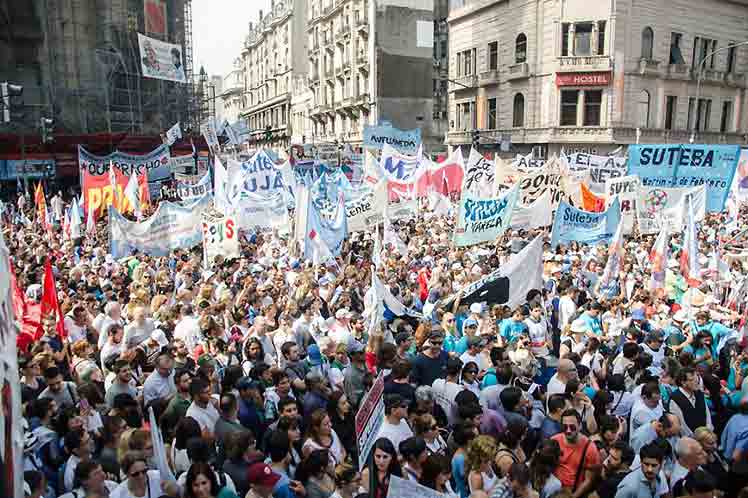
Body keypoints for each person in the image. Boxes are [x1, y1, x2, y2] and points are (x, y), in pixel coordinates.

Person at [551, 409, 601, 498]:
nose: (568, 430)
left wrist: (573, 496)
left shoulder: (590, 448)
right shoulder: (555, 441)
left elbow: (589, 480)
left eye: (572, 427)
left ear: (580, 426)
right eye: (565, 427)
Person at [669, 367, 713, 437]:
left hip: (706, 435)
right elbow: (682, 426)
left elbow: (707, 415)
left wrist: (708, 431)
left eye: (697, 379)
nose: (696, 382)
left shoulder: (699, 393)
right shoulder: (675, 398)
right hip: (690, 439)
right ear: (683, 382)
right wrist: (695, 437)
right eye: (692, 380)